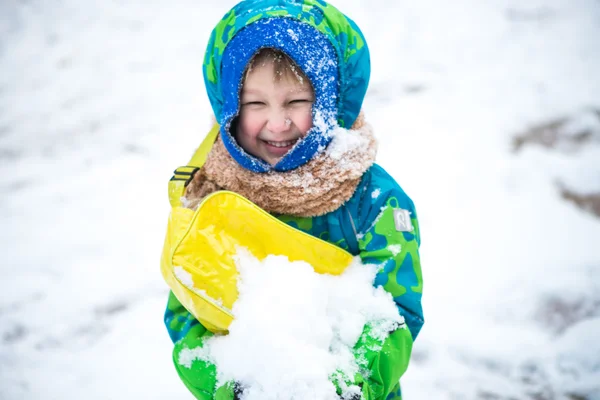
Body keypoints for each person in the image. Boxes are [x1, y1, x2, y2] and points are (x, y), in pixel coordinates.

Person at [163, 1, 424, 399]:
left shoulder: (374, 200)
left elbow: (396, 315)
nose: (277, 122)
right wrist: (234, 387)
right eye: (255, 103)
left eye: (296, 102)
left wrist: (347, 386)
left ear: (329, 102)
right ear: (228, 107)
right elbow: (187, 314)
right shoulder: (212, 195)